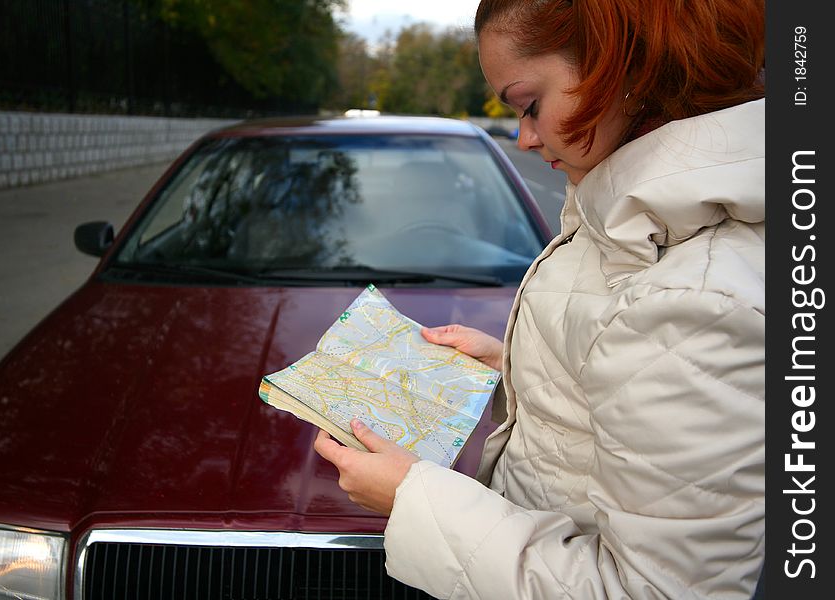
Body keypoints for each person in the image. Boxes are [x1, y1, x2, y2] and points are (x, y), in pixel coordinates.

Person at [314, 0, 765, 597]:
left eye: (529, 105)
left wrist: (412, 499)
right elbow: (628, 376)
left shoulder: (693, 294)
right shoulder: (642, 221)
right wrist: (516, 370)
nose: (525, 138)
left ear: (620, 64)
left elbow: (651, 590)